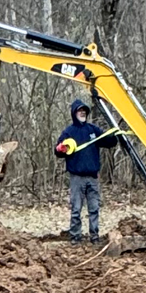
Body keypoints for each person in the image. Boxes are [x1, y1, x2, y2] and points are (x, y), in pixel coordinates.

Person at [54, 98, 103, 242]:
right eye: (80, 111)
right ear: (74, 113)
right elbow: (57, 152)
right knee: (76, 209)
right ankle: (75, 236)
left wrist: (114, 135)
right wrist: (61, 149)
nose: (82, 113)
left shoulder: (93, 130)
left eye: (84, 111)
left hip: (92, 177)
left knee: (94, 209)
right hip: (77, 178)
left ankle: (94, 236)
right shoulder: (68, 132)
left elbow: (110, 142)